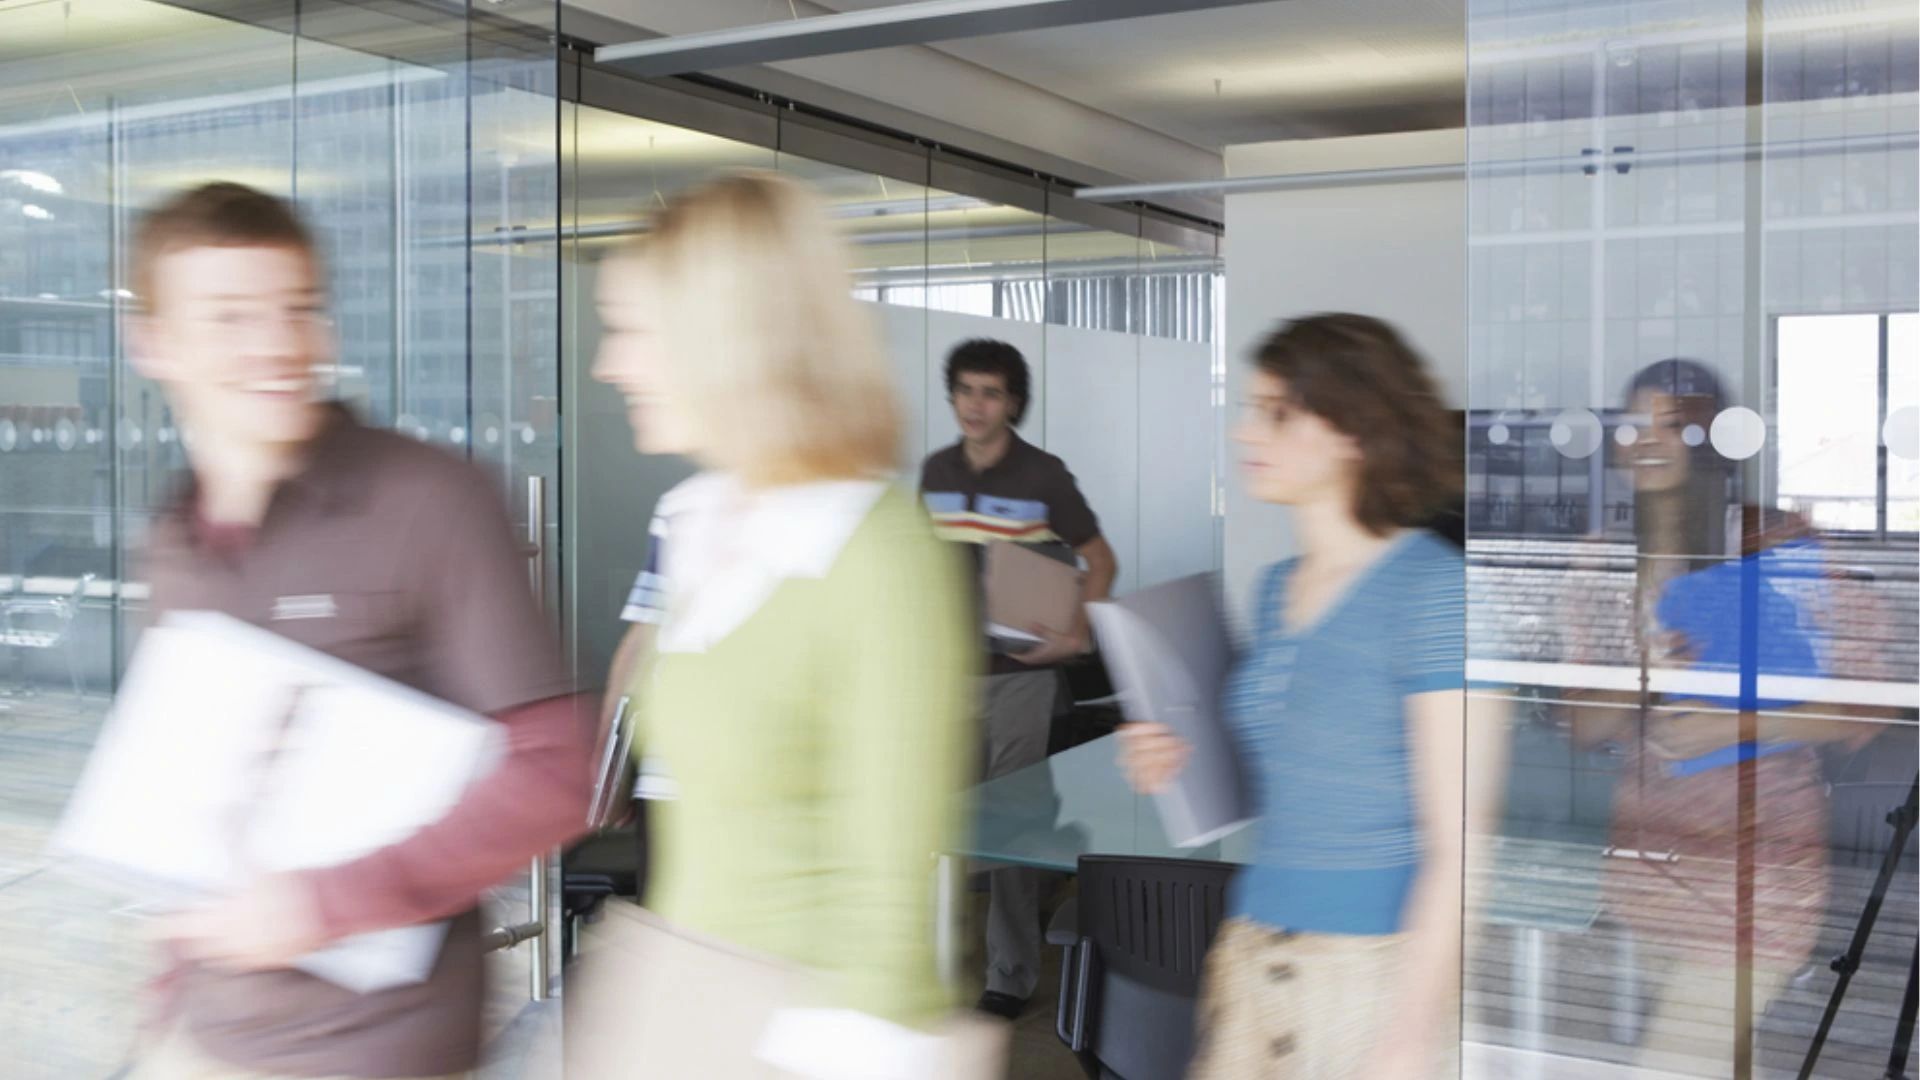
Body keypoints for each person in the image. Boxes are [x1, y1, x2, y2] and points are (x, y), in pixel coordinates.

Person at [122, 182, 592, 1079]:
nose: (278, 344)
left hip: (373, 1051)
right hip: (203, 1033)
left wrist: (327, 903)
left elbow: (558, 771)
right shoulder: (172, 537)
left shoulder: (432, 499)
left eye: (299, 308)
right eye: (229, 317)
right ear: (154, 344)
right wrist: (168, 992)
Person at [578, 170, 975, 1076]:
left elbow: (884, 898)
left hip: (806, 1037)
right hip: (692, 1007)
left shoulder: (874, 548)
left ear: (725, 338)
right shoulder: (699, 518)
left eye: (634, 330)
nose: (612, 363)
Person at [1119, 314, 1503, 1079]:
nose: (1244, 433)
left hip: (1370, 976)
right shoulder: (1273, 592)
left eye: (1277, 413)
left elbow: (1462, 850)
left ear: (1355, 432)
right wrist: (1178, 764)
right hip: (1256, 950)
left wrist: (1407, 1042)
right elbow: (1302, 779)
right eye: (1252, 409)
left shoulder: (1436, 591)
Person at [1561, 358, 1893, 1072]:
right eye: (1633, 424)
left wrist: (1738, 725)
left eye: (1672, 425)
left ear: (1714, 440)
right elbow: (1582, 729)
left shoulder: (1776, 543)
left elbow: (1868, 703)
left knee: (1673, 1064)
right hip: (1644, 877)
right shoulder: (1602, 559)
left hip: (1757, 876)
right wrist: (1645, 675)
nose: (1646, 440)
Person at [918, 338, 1119, 1020]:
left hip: (1020, 677)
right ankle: (937, 956)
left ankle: (1009, 970)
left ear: (1014, 403)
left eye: (992, 393)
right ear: (952, 397)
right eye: (967, 391)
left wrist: (1078, 633)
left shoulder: (1043, 476)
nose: (977, 405)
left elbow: (1098, 558)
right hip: (946, 676)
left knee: (1007, 826)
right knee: (942, 820)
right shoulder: (936, 473)